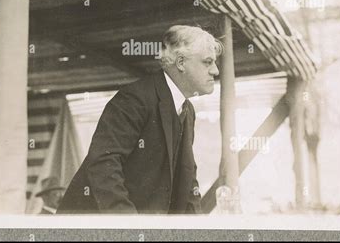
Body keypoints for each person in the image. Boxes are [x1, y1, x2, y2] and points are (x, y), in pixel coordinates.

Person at [58, 25, 221, 214]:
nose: (215, 71)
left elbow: (187, 178)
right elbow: (103, 163)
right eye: (207, 62)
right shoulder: (135, 98)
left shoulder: (187, 110)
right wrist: (132, 226)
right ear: (181, 62)